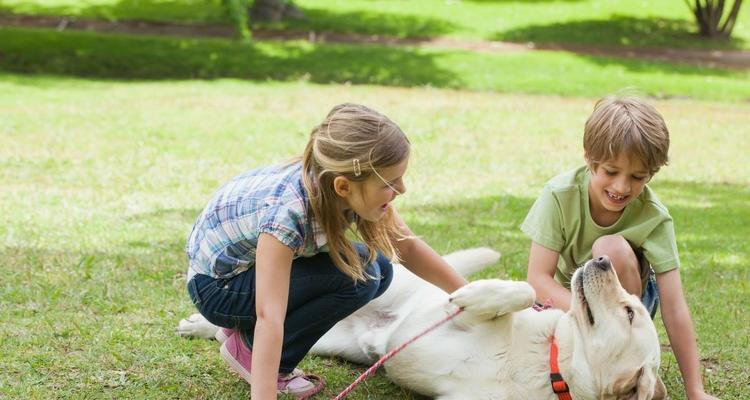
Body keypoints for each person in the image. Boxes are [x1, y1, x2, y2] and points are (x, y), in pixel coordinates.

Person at [185, 103, 467, 399]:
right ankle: (250, 351)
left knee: (378, 269)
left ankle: (242, 334)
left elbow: (407, 245)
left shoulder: (339, 186)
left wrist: (471, 295)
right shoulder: (287, 214)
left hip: (244, 274)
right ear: (344, 186)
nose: (402, 189)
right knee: (363, 273)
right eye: (390, 182)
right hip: (219, 289)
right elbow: (269, 314)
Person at [521, 94, 718, 400]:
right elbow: (538, 279)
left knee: (609, 246)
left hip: (627, 304)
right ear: (589, 158)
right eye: (611, 172)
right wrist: (586, 315)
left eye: (637, 177)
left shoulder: (654, 217)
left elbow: (674, 306)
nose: (622, 187)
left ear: (651, 174)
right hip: (571, 299)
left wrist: (695, 390)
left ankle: (621, 351)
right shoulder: (559, 195)